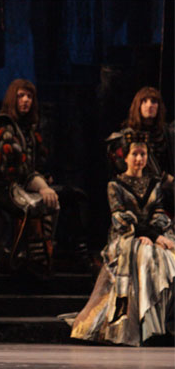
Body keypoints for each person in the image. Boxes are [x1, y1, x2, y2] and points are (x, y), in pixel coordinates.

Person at [67, 136, 175, 346]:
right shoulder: (115, 185)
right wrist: (151, 236)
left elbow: (159, 212)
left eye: (143, 154)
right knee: (146, 256)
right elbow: (120, 217)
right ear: (125, 157)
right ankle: (146, 327)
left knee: (168, 255)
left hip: (153, 235)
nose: (139, 158)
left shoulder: (154, 183)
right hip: (126, 237)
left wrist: (156, 235)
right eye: (134, 154)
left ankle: (163, 323)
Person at [0, 79, 60, 276]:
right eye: (21, 96)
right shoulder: (5, 127)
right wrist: (40, 186)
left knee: (53, 203)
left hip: (23, 184)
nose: (25, 100)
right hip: (3, 187)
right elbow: (14, 169)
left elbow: (36, 164)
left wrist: (42, 183)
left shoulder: (30, 130)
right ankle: (19, 260)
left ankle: (41, 259)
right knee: (33, 206)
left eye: (29, 96)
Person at [106, 87, 174, 215]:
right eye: (144, 101)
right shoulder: (127, 137)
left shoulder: (166, 134)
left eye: (154, 101)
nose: (149, 105)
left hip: (165, 195)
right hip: (136, 194)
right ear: (138, 105)